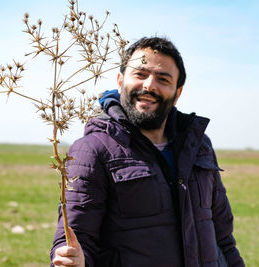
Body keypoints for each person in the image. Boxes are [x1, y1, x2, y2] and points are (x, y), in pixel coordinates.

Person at [50, 37, 245, 267]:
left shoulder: (199, 146)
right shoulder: (92, 151)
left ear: (177, 93)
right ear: (121, 80)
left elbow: (223, 239)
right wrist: (72, 261)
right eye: (140, 74)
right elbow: (75, 240)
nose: (149, 85)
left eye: (163, 79)